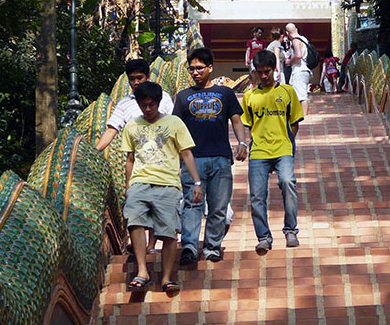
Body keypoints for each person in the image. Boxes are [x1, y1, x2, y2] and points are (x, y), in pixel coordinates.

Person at [120, 82, 202, 294]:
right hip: (140, 182)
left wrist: (196, 183)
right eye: (144, 105)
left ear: (158, 103)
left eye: (152, 104)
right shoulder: (132, 126)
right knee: (134, 221)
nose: (148, 109)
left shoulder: (174, 123)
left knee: (168, 232)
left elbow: (186, 154)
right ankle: (142, 271)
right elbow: (130, 159)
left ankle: (166, 277)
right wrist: (128, 185)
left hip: (168, 184)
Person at [173, 47, 248, 265]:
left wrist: (242, 142)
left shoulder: (225, 93)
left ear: (210, 68)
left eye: (199, 68)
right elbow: (175, 128)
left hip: (220, 157)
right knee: (192, 204)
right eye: (192, 68)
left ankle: (212, 246)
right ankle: (188, 246)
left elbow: (236, 119)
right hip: (192, 160)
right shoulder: (183, 97)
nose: (195, 72)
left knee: (218, 206)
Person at [242, 49, 303, 253]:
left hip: (283, 148)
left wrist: (288, 142)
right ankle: (263, 236)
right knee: (257, 196)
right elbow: (247, 125)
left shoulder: (287, 92)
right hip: (259, 151)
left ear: (275, 69)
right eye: (259, 72)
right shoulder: (250, 96)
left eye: (267, 71)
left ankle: (291, 230)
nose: (264, 76)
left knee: (288, 182)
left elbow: (294, 123)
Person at [96, 58, 175, 152]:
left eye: (139, 78)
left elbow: (174, 124)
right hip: (138, 160)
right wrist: (95, 151)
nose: (136, 82)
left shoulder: (163, 97)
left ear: (148, 77)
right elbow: (111, 130)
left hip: (165, 156)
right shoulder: (124, 104)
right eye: (132, 79)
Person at [285, 22, 312, 116]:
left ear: (287, 33)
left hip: (299, 70)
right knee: (302, 94)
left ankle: (304, 116)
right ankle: (303, 114)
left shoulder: (295, 41)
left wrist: (290, 62)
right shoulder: (304, 39)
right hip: (305, 69)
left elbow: (299, 55)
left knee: (301, 95)